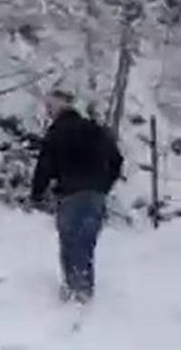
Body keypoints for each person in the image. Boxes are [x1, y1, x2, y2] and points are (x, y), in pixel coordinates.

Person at [30, 90, 124, 304]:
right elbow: (117, 159)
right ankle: (84, 290)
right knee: (86, 243)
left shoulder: (57, 132)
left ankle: (74, 290)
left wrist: (36, 193)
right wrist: (104, 186)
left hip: (70, 193)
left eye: (50, 107)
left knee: (70, 242)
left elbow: (44, 166)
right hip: (96, 195)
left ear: (57, 108)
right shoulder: (96, 129)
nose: (48, 112)